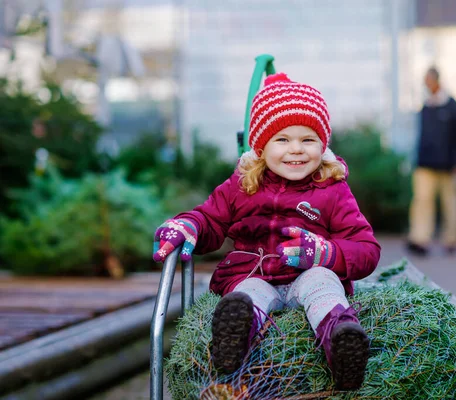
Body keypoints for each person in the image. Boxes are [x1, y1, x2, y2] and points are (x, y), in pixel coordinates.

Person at [152, 72, 381, 391]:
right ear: (261, 146)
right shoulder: (242, 185)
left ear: (323, 144)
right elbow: (211, 219)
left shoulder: (332, 189)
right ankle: (234, 340)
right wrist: (189, 225)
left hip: (308, 273)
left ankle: (341, 344)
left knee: (322, 284)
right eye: (283, 140)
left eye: (308, 139)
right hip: (254, 273)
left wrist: (327, 253)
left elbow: (366, 248)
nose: (297, 150)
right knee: (248, 294)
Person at [407, 66, 456, 256]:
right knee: (421, 201)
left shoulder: (452, 105)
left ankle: (452, 240)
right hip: (425, 164)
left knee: (451, 203)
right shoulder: (425, 106)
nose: (427, 85)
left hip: (449, 165)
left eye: (429, 81)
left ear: (437, 81)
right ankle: (420, 239)